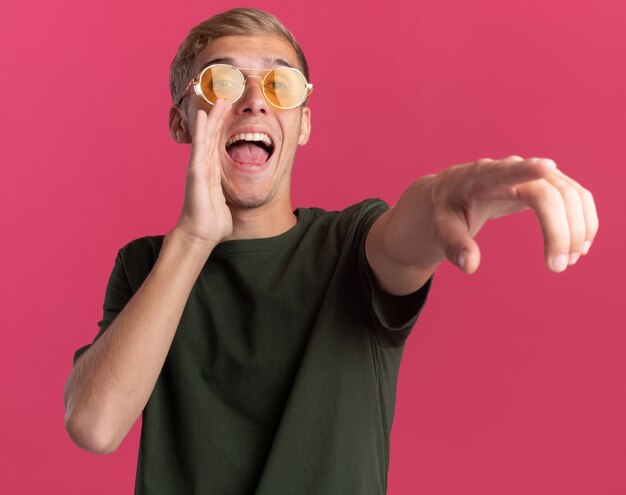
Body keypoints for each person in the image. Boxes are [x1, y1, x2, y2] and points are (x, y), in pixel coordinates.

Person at [63, 7, 598, 495]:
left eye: (279, 84)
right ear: (182, 122)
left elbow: (404, 234)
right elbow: (94, 425)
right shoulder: (144, 265)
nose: (253, 99)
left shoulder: (349, 248)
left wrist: (441, 194)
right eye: (222, 81)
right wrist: (193, 237)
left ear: (304, 124)